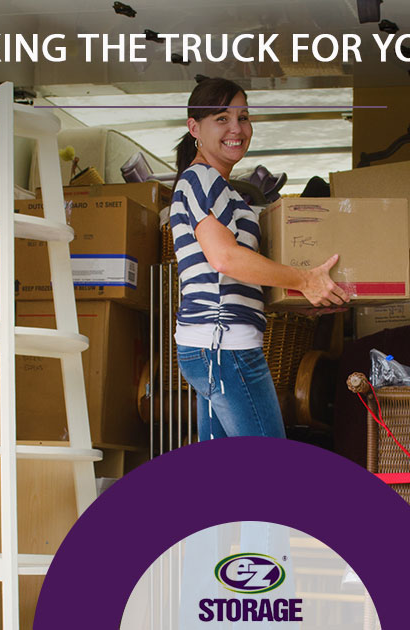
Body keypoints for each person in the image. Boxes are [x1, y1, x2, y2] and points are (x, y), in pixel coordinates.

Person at [169, 77, 347, 441]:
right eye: (222, 118)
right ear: (194, 129)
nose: (236, 128)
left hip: (213, 344)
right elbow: (224, 259)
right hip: (224, 344)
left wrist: (302, 297)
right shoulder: (201, 179)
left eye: (244, 117)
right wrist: (303, 280)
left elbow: (236, 275)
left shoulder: (221, 189)